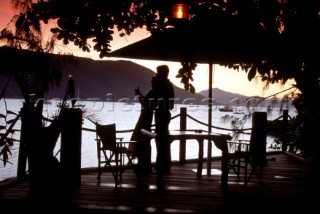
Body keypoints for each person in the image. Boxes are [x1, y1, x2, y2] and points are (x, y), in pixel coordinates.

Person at [152, 65, 175, 189]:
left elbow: (152, 100)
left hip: (161, 113)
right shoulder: (169, 85)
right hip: (166, 113)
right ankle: (163, 164)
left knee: (160, 139)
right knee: (162, 138)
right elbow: (171, 104)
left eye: (157, 72)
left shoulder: (160, 85)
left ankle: (160, 164)